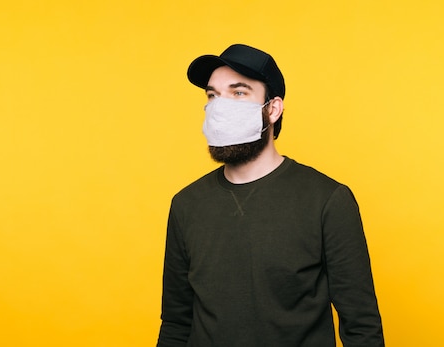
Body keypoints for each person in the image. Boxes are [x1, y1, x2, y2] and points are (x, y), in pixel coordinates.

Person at [157, 44, 384, 347]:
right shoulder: (186, 205)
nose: (220, 106)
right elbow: (176, 323)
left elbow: (362, 327)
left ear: (273, 109)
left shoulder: (328, 200)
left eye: (239, 93)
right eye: (213, 95)